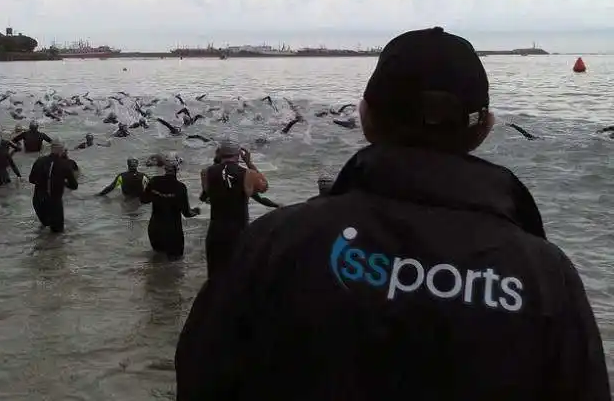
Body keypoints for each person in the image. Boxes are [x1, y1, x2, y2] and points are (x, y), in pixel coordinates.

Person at [175, 27, 611, 401]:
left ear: (365, 117)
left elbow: (200, 374)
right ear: (484, 128)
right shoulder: (545, 277)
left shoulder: (275, 242)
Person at [198, 140, 268, 280]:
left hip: (215, 231)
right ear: (239, 155)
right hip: (239, 231)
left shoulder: (206, 173)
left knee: (215, 277)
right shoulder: (248, 174)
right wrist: (249, 162)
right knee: (238, 277)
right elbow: (264, 187)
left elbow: (205, 196)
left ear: (220, 153)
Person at [140, 154, 200, 259]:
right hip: (173, 233)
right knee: (175, 265)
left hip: (155, 230)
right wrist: (196, 211)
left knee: (157, 262)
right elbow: (187, 213)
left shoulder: (154, 181)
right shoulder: (180, 187)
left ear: (164, 168)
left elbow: (143, 200)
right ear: (177, 168)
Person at [28, 140, 78, 233]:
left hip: (38, 202)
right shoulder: (65, 165)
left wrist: (44, 181)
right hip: (54, 204)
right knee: (57, 235)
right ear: (62, 150)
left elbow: (31, 179)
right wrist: (62, 183)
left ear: (51, 148)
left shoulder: (39, 160)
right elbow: (74, 186)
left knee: (44, 228)